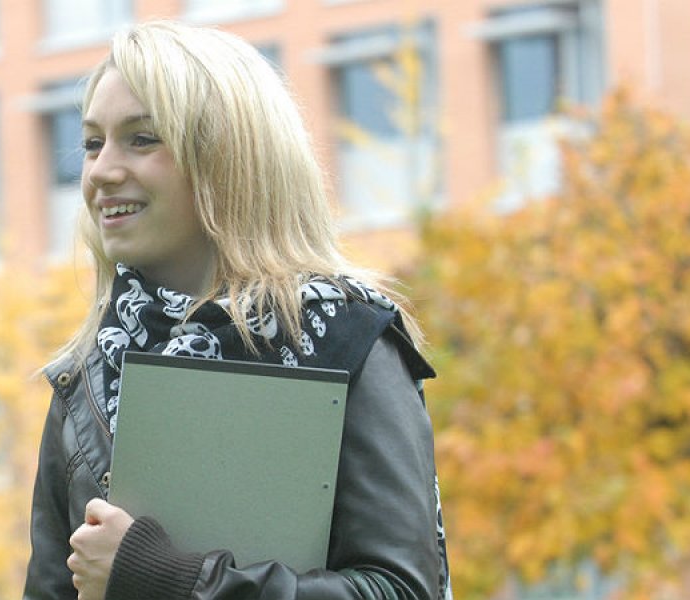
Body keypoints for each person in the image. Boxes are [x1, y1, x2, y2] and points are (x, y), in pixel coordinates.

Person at [24, 20, 451, 600]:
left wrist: (166, 579)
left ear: (227, 157)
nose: (100, 171)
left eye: (142, 139)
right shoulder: (88, 373)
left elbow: (402, 591)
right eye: (94, 142)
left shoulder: (348, 341)